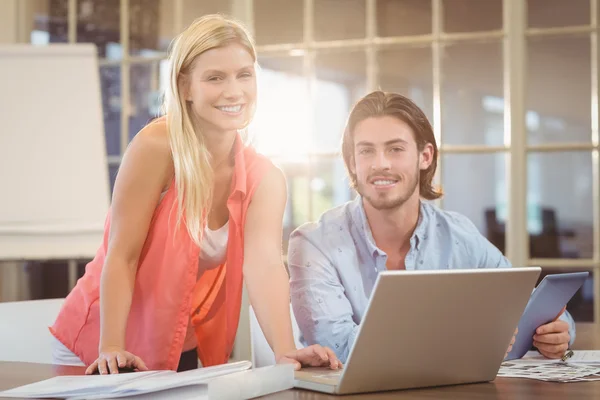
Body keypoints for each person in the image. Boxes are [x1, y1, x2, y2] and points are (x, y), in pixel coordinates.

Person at [50, 14, 341, 375]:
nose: (234, 91)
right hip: (100, 342)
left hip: (177, 346)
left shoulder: (265, 178)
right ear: (186, 86)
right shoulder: (156, 147)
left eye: (244, 74)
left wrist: (285, 351)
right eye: (215, 78)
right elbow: (121, 256)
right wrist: (111, 347)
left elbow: (264, 264)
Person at [288, 91, 575, 363]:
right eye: (366, 152)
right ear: (352, 162)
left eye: (395, 149)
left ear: (425, 156)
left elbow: (525, 306)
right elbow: (339, 348)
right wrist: (465, 341)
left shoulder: (458, 234)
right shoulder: (314, 244)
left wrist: (557, 331)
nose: (381, 164)